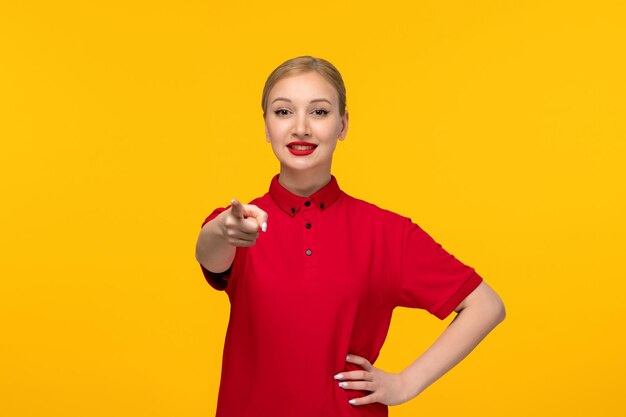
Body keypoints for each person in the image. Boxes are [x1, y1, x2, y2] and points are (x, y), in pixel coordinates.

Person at [195, 56, 505, 417]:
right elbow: (210, 252)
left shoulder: (388, 233)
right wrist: (224, 230)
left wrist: (406, 383)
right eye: (283, 112)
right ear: (265, 127)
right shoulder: (240, 223)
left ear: (343, 124)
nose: (300, 128)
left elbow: (486, 306)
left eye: (319, 112)